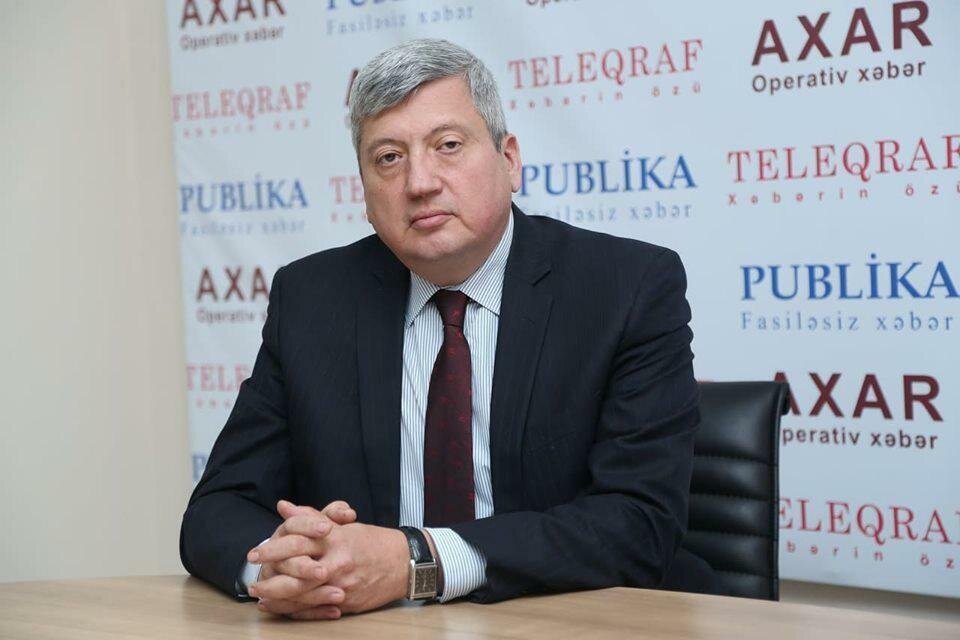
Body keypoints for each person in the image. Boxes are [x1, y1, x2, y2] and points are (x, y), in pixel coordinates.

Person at [180, 38, 720, 621]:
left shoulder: (626, 287)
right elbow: (218, 508)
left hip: (568, 624)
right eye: (389, 158)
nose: (419, 182)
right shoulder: (312, 299)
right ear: (364, 192)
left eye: (448, 146)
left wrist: (417, 560)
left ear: (509, 160)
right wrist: (285, 569)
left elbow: (639, 523)